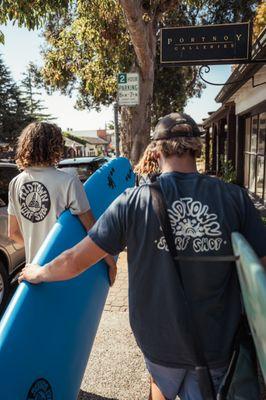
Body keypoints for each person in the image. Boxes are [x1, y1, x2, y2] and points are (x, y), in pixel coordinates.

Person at [19, 113, 266, 400]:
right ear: (197, 147)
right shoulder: (233, 197)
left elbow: (76, 259)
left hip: (158, 344)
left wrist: (38, 272)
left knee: (160, 384)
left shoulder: (133, 201)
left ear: (157, 150)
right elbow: (260, 269)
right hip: (218, 344)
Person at [8, 122, 116, 283]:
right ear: (55, 146)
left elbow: (13, 233)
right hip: (61, 272)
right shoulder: (68, 181)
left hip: (32, 272)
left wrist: (38, 250)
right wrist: (111, 263)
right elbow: (92, 228)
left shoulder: (15, 183)